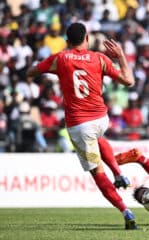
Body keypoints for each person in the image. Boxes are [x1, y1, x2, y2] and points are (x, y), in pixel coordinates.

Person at [26, 22, 137, 230]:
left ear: (67, 41)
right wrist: (120, 55)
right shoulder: (100, 58)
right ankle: (119, 174)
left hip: (80, 125)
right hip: (101, 120)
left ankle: (126, 212)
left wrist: (38, 70)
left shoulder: (60, 58)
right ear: (87, 38)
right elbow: (129, 81)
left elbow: (32, 72)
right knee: (98, 138)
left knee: (97, 172)